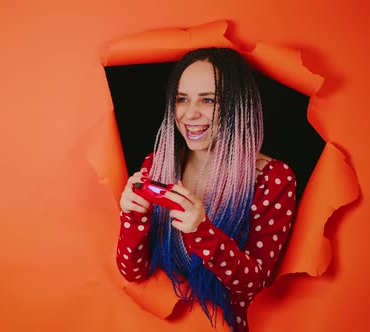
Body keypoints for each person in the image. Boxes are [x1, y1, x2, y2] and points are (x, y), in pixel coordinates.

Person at [116, 47, 296, 332]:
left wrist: (201, 230)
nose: (190, 113)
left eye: (208, 100)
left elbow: (252, 283)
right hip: (160, 323)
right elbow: (132, 271)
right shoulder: (156, 166)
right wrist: (132, 216)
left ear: (238, 105)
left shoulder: (272, 178)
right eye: (182, 99)